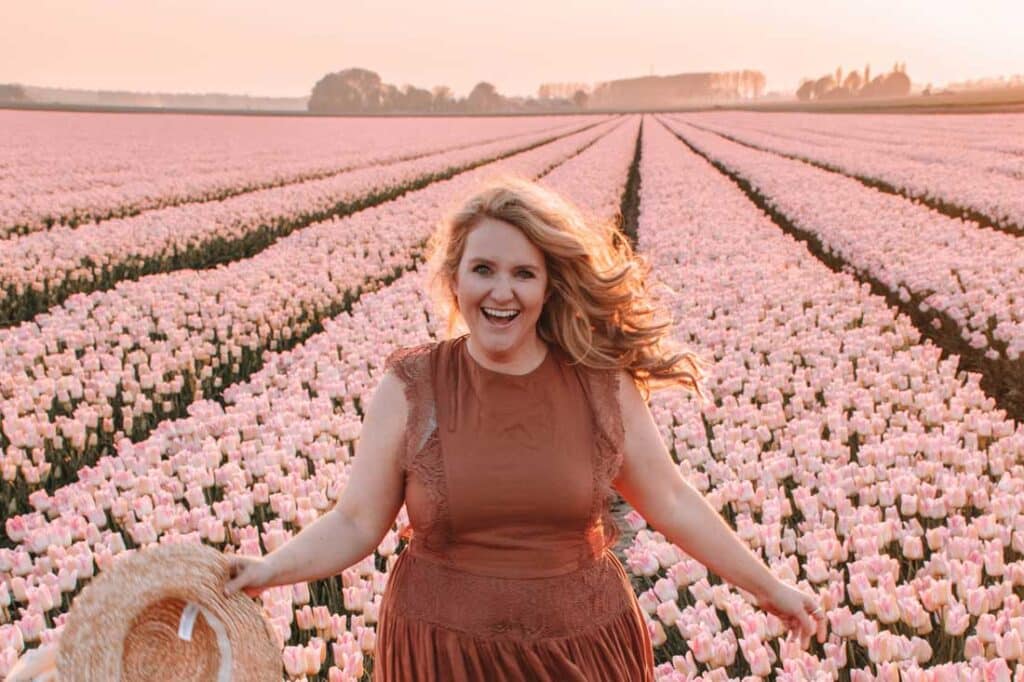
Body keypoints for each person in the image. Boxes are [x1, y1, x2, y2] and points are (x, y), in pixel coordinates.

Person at [224, 175, 825, 680]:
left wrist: (769, 587)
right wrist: (269, 569)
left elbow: (669, 498)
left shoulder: (600, 384)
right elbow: (355, 520)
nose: (501, 292)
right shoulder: (412, 387)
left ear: (547, 286)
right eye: (483, 269)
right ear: (455, 280)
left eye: (523, 273)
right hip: (441, 654)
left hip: (579, 650)